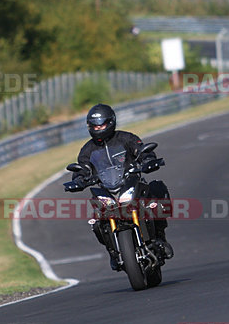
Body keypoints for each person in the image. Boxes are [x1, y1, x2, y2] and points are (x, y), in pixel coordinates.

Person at [71, 103, 173, 270]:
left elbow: (142, 151)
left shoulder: (126, 138)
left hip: (130, 183)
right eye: (94, 125)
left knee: (156, 190)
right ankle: (113, 251)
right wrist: (79, 179)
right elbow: (83, 167)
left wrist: (147, 160)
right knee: (96, 221)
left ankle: (160, 238)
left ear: (111, 122)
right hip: (107, 189)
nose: (98, 128)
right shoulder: (87, 149)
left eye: (102, 124)